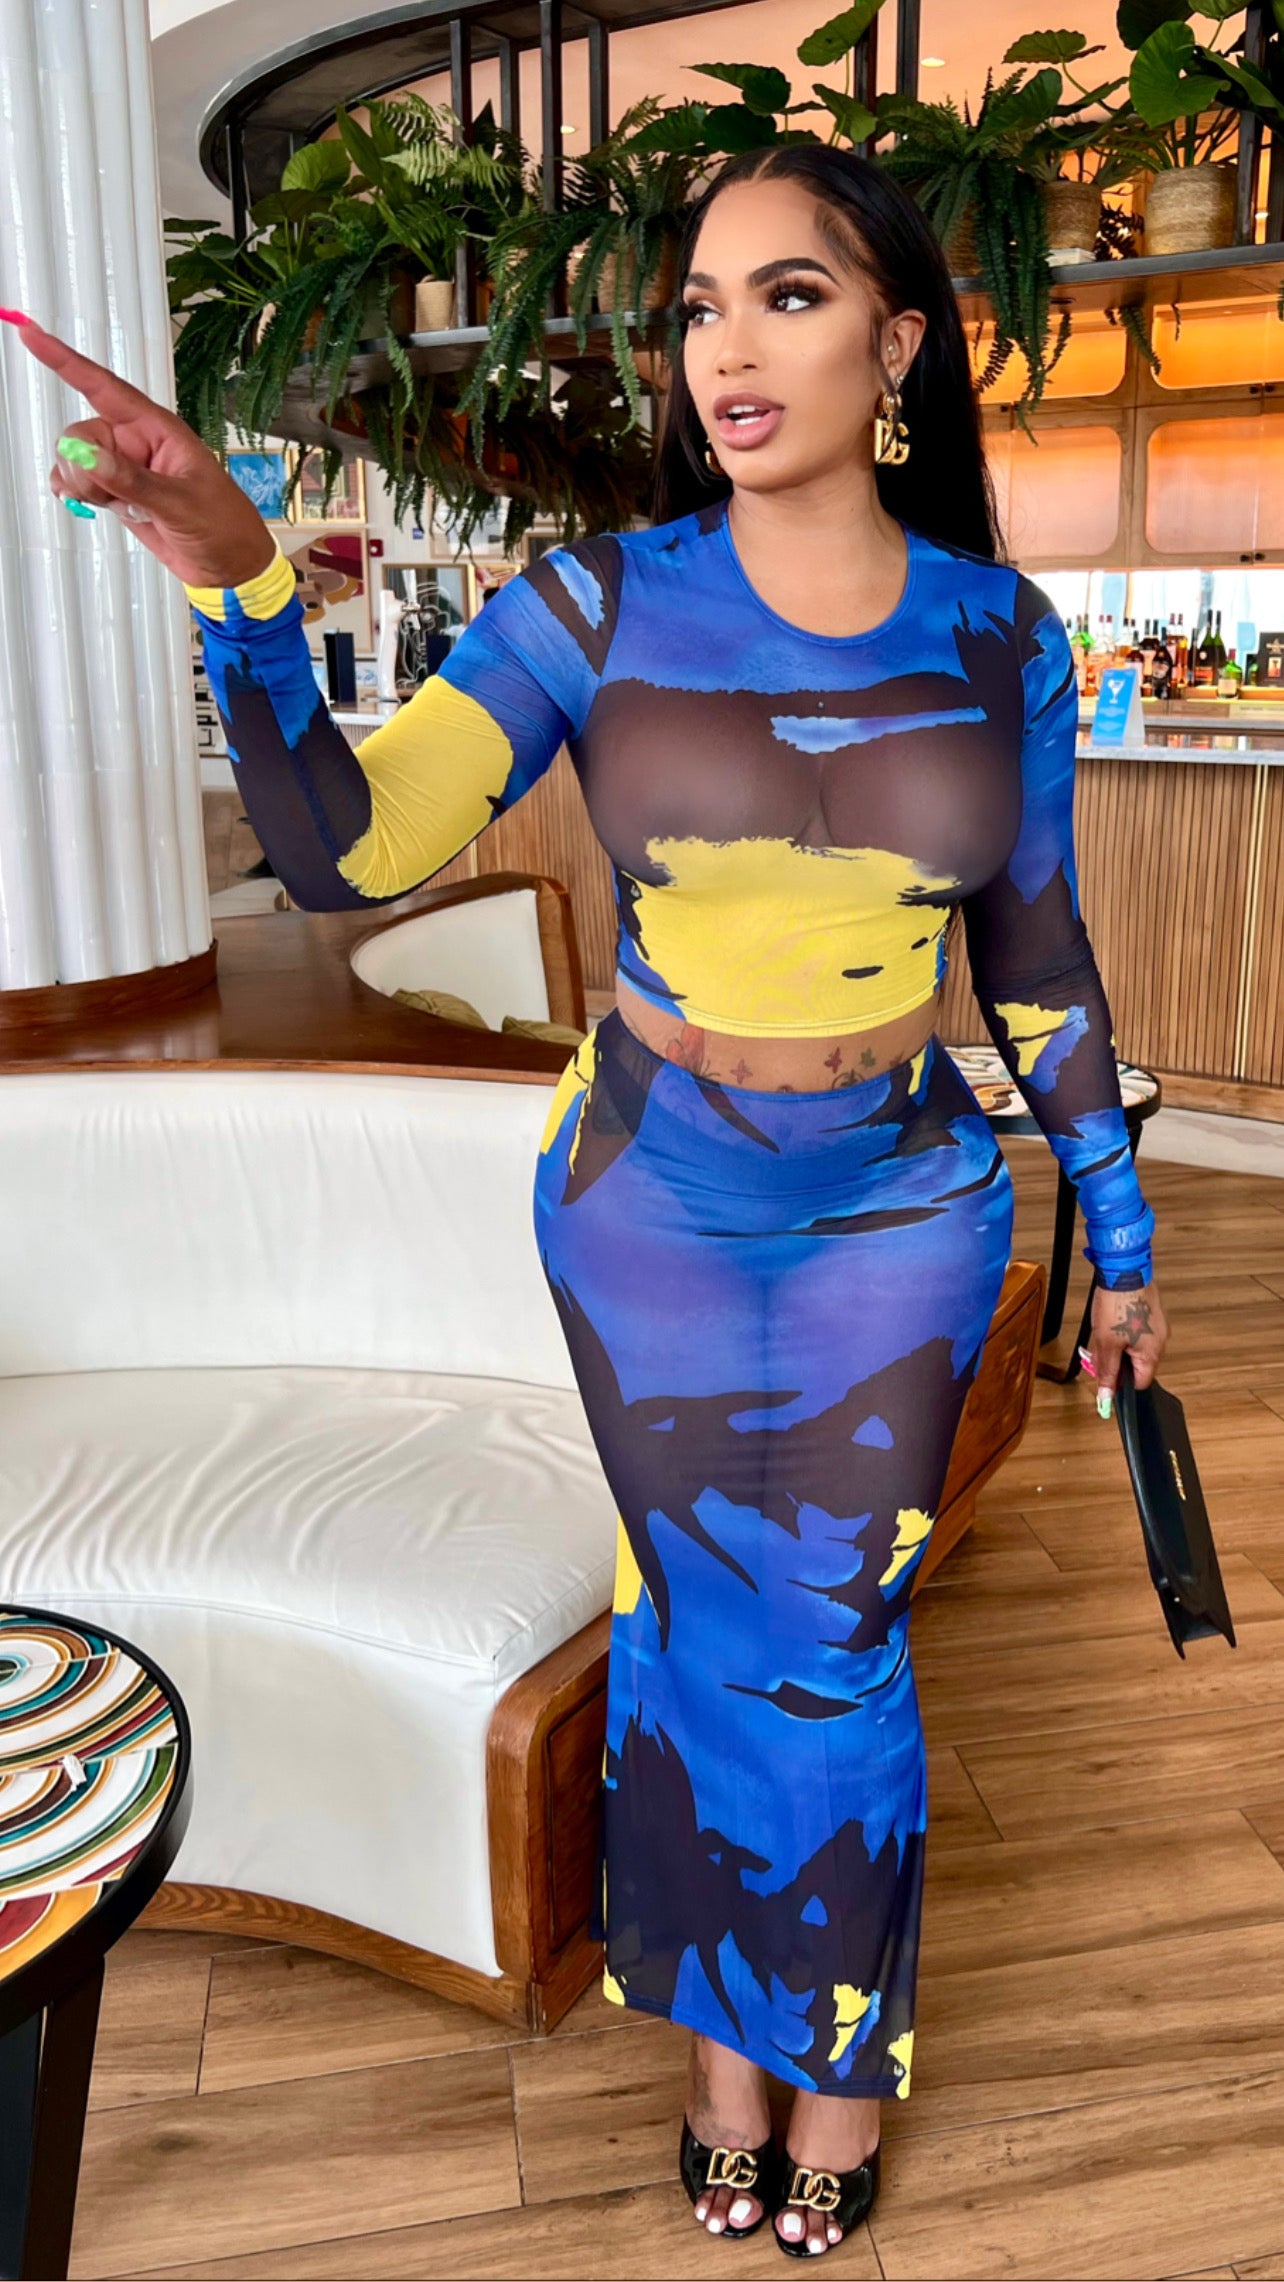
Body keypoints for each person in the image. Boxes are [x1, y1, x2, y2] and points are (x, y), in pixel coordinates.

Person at [10, 139, 1168, 2260]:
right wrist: (240, 577)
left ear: (902, 342)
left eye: (789, 295)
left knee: (837, 1646)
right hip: (646, 1198)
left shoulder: (1002, 635)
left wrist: (1126, 1229)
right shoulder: (596, 606)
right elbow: (349, 849)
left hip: (900, 1212)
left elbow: (1035, 954)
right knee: (693, 1618)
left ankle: (835, 2053)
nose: (728, 347)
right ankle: (725, 2053)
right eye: (700, 306)